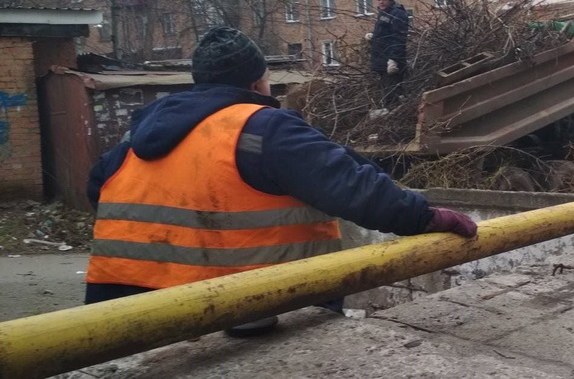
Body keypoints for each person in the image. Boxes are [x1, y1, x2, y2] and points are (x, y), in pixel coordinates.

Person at [84, 26, 476, 336]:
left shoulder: (136, 137)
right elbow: (352, 186)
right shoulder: (263, 128)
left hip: (121, 315)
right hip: (243, 313)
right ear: (257, 84)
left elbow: (98, 190)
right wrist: (425, 217)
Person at [366, 0, 409, 107]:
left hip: (390, 61)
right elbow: (386, 34)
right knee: (386, 92)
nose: (381, 2)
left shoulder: (398, 14)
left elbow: (399, 38)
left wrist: (394, 60)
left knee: (392, 93)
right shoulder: (384, 13)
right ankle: (391, 111)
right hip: (381, 60)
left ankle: (395, 115)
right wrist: (373, 36)